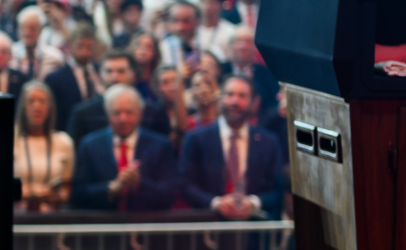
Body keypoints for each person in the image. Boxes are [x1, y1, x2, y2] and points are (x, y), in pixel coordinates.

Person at [179, 75, 286, 221]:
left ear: (253, 102)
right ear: (220, 98)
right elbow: (185, 184)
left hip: (254, 230)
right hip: (209, 226)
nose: (235, 101)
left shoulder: (269, 142)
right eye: (229, 94)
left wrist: (253, 203)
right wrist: (215, 203)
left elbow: (277, 189)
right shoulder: (196, 138)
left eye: (242, 96)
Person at [73, 85, 179, 216]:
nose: (123, 119)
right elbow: (78, 193)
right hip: (104, 226)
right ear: (107, 114)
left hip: (146, 226)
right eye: (116, 113)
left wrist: (139, 184)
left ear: (140, 113)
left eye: (129, 112)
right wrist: (111, 188)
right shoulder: (89, 145)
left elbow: (170, 194)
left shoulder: (160, 145)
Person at [12, 78, 74, 213]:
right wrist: (29, 194)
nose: (37, 106)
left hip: (50, 216)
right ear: (22, 106)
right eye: (31, 101)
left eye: (42, 101)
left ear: (50, 107)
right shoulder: (11, 139)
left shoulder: (63, 141)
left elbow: (66, 188)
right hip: (17, 215)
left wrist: (56, 196)